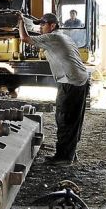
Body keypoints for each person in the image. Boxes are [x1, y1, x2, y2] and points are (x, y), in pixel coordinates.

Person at [18, 12, 89, 165]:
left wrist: (20, 23)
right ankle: (70, 153)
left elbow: (24, 38)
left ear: (52, 25)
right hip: (80, 80)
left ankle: (63, 157)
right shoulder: (63, 36)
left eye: (43, 25)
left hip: (71, 82)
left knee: (64, 119)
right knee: (74, 119)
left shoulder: (53, 37)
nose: (41, 27)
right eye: (41, 24)